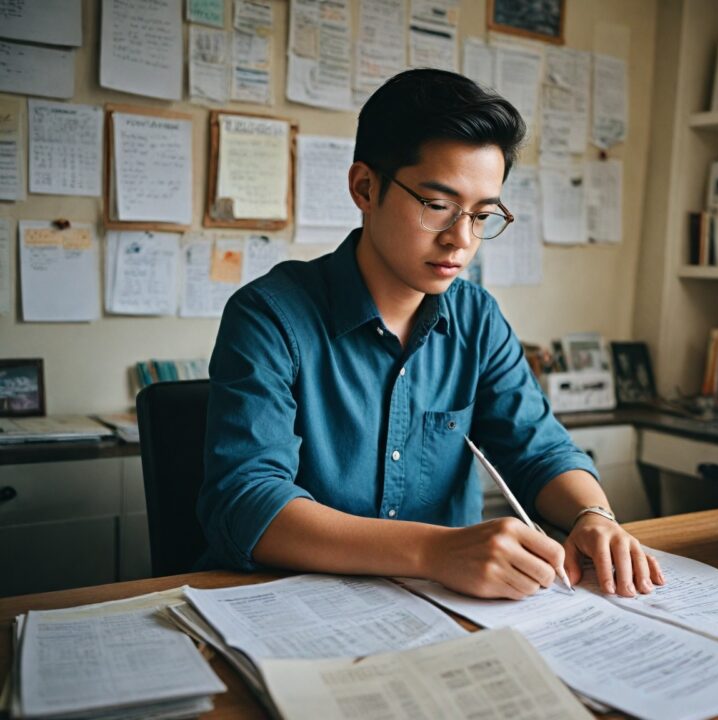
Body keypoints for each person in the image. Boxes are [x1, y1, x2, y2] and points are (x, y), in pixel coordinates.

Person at [199, 69, 665, 600]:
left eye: (483, 214)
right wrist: (433, 552)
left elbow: (540, 451)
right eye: (437, 205)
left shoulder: (476, 318)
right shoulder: (269, 316)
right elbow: (246, 501)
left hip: (446, 612)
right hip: (293, 608)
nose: (460, 240)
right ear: (365, 187)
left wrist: (593, 515)